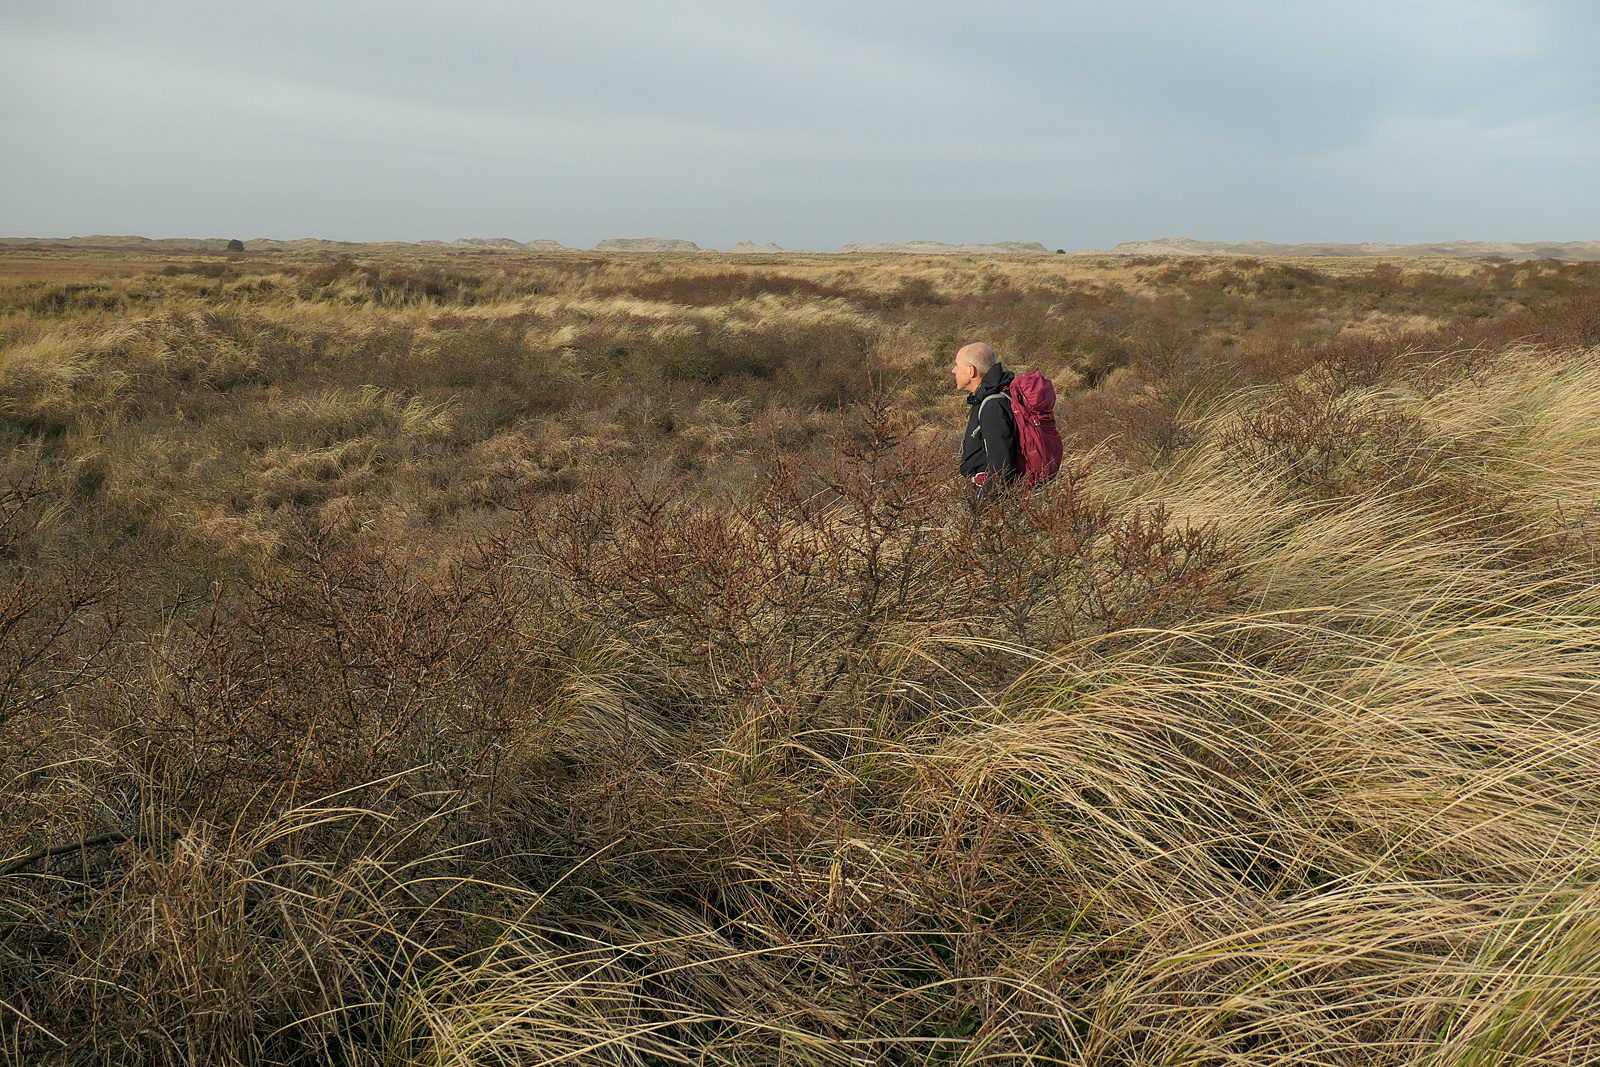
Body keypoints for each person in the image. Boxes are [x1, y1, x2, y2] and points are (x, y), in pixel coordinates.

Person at [950, 341, 1017, 503]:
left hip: (992, 500)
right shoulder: (993, 395)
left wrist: (984, 510)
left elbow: (1001, 468)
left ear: (971, 370)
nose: (953, 370)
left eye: (957, 365)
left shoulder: (992, 405)